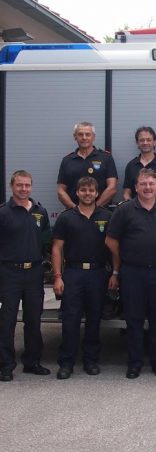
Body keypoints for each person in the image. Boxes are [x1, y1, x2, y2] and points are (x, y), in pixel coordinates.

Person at [106, 168, 156, 379]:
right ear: (136, 187)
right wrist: (130, 255)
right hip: (133, 273)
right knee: (134, 320)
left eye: (151, 184)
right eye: (143, 184)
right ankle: (134, 363)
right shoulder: (124, 210)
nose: (148, 188)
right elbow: (110, 241)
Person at [52, 176, 116, 379]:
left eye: (91, 190)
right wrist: (58, 276)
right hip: (73, 273)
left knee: (94, 319)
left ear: (97, 193)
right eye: (83, 190)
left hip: (98, 274)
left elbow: (115, 248)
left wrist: (115, 273)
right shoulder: (66, 217)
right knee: (70, 319)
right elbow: (56, 248)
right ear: (77, 193)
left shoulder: (107, 216)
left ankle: (90, 360)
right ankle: (66, 362)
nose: (87, 194)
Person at [0, 170, 52, 382]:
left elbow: (48, 242)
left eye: (27, 185)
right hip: (9, 272)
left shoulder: (40, 211)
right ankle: (5, 365)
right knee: (8, 320)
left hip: (34, 272)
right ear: (12, 187)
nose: (23, 189)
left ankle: (32, 362)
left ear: (31, 186)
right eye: (19, 185)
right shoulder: (3, 213)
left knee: (33, 319)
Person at [57, 122, 117, 209]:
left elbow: (112, 188)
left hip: (101, 213)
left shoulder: (106, 158)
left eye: (88, 134)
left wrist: (94, 208)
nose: (84, 137)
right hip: (74, 214)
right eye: (80, 134)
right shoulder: (67, 160)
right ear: (75, 137)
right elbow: (60, 191)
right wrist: (76, 210)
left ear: (93, 137)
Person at [123, 126, 156, 201]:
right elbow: (126, 193)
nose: (145, 143)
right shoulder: (131, 165)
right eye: (142, 140)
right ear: (137, 143)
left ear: (155, 142)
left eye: (148, 140)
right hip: (135, 210)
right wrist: (132, 208)